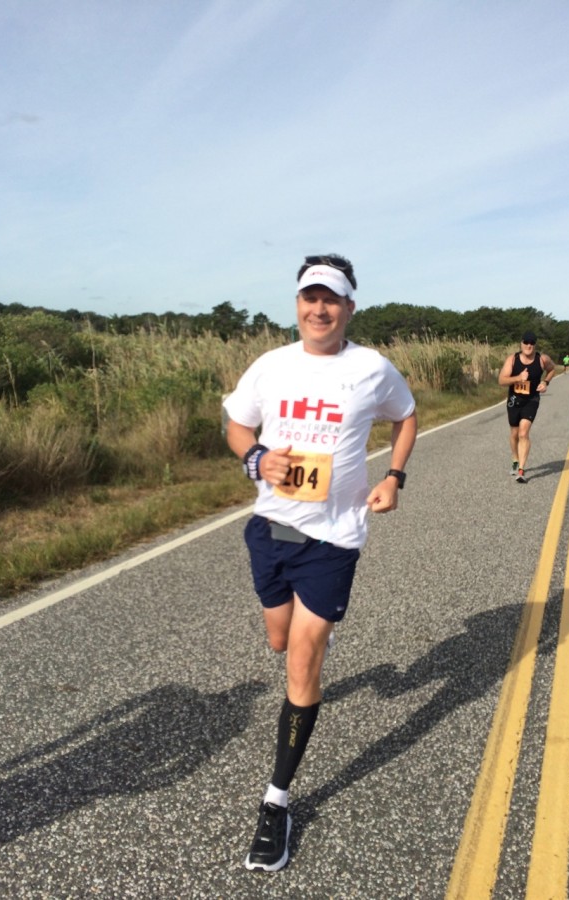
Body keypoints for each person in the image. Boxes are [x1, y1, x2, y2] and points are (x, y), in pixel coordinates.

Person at [223, 253, 417, 872]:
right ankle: (298, 666)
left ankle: (276, 802)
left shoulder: (371, 368)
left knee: (305, 655)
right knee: (279, 643)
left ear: (349, 307)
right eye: (310, 297)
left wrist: (393, 477)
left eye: (331, 298)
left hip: (335, 537)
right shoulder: (271, 365)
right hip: (271, 530)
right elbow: (236, 423)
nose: (319, 308)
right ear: (298, 304)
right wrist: (256, 460)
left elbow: (407, 416)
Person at [498, 330, 555, 483]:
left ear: (535, 345)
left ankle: (521, 470)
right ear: (521, 343)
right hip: (514, 400)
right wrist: (518, 378)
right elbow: (502, 380)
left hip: (532, 400)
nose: (529, 346)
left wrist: (546, 382)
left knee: (523, 433)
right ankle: (515, 459)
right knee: (514, 433)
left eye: (532, 343)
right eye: (526, 342)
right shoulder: (513, 360)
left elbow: (552, 369)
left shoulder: (542, 359)